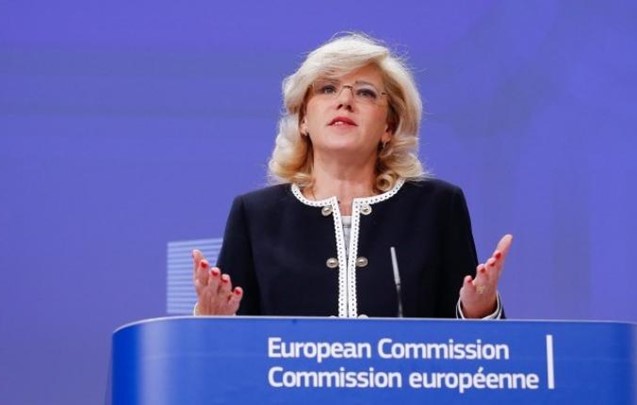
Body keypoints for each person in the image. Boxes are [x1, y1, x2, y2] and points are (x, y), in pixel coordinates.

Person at [191, 33, 512, 319]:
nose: (344, 101)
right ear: (303, 120)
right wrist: (211, 319)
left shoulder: (436, 207)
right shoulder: (256, 215)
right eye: (328, 89)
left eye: (366, 93)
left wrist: (479, 311)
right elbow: (229, 348)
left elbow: (472, 354)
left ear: (388, 127)